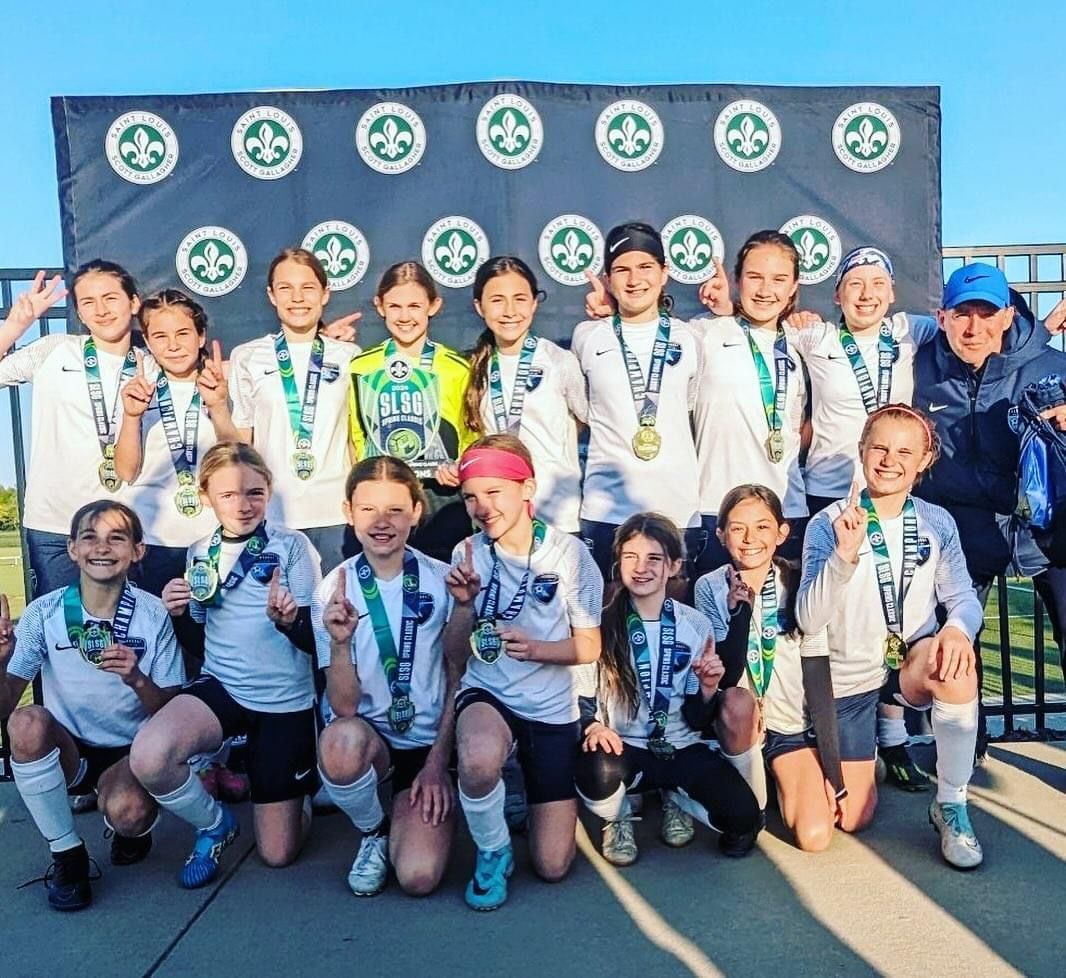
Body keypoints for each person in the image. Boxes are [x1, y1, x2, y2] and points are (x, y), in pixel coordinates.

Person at [797, 405, 986, 869]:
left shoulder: (937, 521)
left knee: (956, 667)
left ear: (924, 461)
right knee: (851, 817)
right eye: (879, 447)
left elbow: (962, 594)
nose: (889, 460)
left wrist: (959, 631)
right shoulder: (828, 523)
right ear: (861, 451)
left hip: (906, 661)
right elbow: (808, 617)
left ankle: (951, 805)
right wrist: (843, 557)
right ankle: (850, 753)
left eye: (905, 451)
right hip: (847, 677)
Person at [129, 442, 322, 887]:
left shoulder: (293, 548)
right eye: (229, 495)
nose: (243, 504)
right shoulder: (201, 551)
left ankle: (297, 791)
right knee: (150, 755)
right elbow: (198, 639)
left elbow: (318, 642)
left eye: (254, 492)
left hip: (283, 703)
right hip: (223, 689)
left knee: (277, 854)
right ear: (207, 496)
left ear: (270, 491)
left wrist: (291, 621)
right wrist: (178, 615)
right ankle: (215, 824)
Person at [789, 248, 939, 792]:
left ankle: (894, 740)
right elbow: (759, 327)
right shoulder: (816, 337)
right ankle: (817, 734)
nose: (867, 293)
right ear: (836, 296)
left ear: (894, 294)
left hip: (893, 493)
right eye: (855, 284)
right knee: (834, 621)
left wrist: (1047, 324)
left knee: (892, 609)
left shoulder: (912, 330)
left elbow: (982, 329)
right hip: (832, 499)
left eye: (878, 283)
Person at [443, 435, 603, 910]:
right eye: (471, 496)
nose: (482, 507)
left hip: (551, 709)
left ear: (527, 488)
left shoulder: (570, 554)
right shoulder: (466, 553)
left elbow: (590, 647)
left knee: (553, 866)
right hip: (489, 693)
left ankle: (520, 795)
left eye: (494, 492)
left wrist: (536, 649)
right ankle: (493, 849)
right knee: (475, 759)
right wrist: (463, 606)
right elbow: (456, 655)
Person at [0, 501, 184, 911]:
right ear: (72, 549)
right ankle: (68, 856)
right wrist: (0, 659)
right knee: (25, 723)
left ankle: (126, 822)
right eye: (90, 537)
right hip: (68, 748)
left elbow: (173, 714)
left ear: (138, 550)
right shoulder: (43, 613)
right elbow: (6, 703)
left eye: (116, 537)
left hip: (130, 752)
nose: (102, 547)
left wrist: (136, 678)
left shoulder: (154, 615)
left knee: (129, 814)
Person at [913, 262, 1066, 724]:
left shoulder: (1050, 364)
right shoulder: (920, 365)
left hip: (1048, 530)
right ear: (942, 318)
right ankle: (965, 746)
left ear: (1007, 315)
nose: (973, 327)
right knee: (957, 649)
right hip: (963, 530)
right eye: (962, 313)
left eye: (986, 313)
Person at [576, 512, 761, 866]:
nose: (641, 567)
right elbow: (581, 695)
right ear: (618, 562)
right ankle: (618, 815)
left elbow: (697, 718)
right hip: (624, 747)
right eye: (631, 557)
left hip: (680, 745)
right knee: (595, 769)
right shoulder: (602, 624)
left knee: (744, 821)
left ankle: (675, 794)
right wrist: (593, 725)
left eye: (654, 558)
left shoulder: (694, 623)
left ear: (674, 565)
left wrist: (707, 688)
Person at [313, 457, 456, 897]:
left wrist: (436, 764)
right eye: (368, 509)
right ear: (348, 512)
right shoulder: (333, 589)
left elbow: (459, 680)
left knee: (418, 877)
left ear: (416, 512)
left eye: (395, 509)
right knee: (339, 744)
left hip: (427, 745)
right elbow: (344, 709)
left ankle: (411, 805)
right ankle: (373, 829)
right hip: (371, 741)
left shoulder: (444, 580)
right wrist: (340, 642)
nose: (381, 522)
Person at [695, 485, 865, 852]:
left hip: (790, 727)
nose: (750, 538)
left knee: (815, 837)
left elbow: (820, 670)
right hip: (741, 724)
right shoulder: (709, 586)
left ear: (781, 533)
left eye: (761, 527)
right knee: (737, 701)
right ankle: (750, 805)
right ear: (721, 535)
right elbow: (726, 669)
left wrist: (833, 770)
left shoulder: (799, 580)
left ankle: (783, 778)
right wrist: (738, 611)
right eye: (737, 528)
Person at [0, 263, 143, 596]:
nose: (101, 310)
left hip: (123, 527)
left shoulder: (151, 363)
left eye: (111, 298)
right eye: (88, 302)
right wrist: (15, 327)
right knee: (59, 638)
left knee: (126, 639)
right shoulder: (54, 350)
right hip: (55, 525)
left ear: (134, 303)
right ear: (78, 310)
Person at [573, 222, 705, 580]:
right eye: (622, 270)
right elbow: (584, 412)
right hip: (607, 513)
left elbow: (691, 408)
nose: (634, 280)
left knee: (677, 625)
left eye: (645, 267)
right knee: (608, 623)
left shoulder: (691, 337)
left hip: (677, 511)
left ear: (664, 273)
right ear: (608, 279)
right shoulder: (586, 337)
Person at [229, 248, 360, 574]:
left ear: (325, 293)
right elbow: (241, 444)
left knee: (337, 615)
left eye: (308, 288)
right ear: (272, 296)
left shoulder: (350, 356)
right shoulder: (247, 356)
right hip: (274, 515)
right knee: (280, 618)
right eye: (285, 288)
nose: (297, 298)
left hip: (335, 514)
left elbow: (355, 440)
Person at [691, 231, 808, 576]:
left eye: (778, 279)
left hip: (785, 510)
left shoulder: (805, 341)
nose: (765, 290)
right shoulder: (705, 333)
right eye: (754, 277)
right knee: (716, 625)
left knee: (782, 625)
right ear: (736, 280)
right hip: (716, 510)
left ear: (794, 286)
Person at [349, 261, 476, 563]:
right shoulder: (361, 366)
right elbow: (357, 436)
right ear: (379, 306)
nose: (405, 317)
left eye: (415, 306)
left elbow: (472, 434)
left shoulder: (457, 367)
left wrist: (460, 467)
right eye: (395, 306)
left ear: (434, 305)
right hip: (385, 497)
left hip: (441, 495)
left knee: (447, 585)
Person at [114, 289, 237, 596]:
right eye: (160, 336)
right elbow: (126, 472)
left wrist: (219, 408)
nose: (173, 346)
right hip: (153, 542)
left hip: (215, 539)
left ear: (200, 336)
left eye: (183, 333)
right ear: (147, 340)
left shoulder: (226, 380)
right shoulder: (138, 389)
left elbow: (241, 462)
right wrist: (132, 416)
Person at [460, 256, 587, 533]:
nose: (509, 311)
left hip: (557, 517)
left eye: (519, 298)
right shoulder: (472, 367)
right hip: (495, 520)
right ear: (479, 307)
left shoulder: (558, 361)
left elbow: (587, 420)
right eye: (497, 300)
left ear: (534, 303)